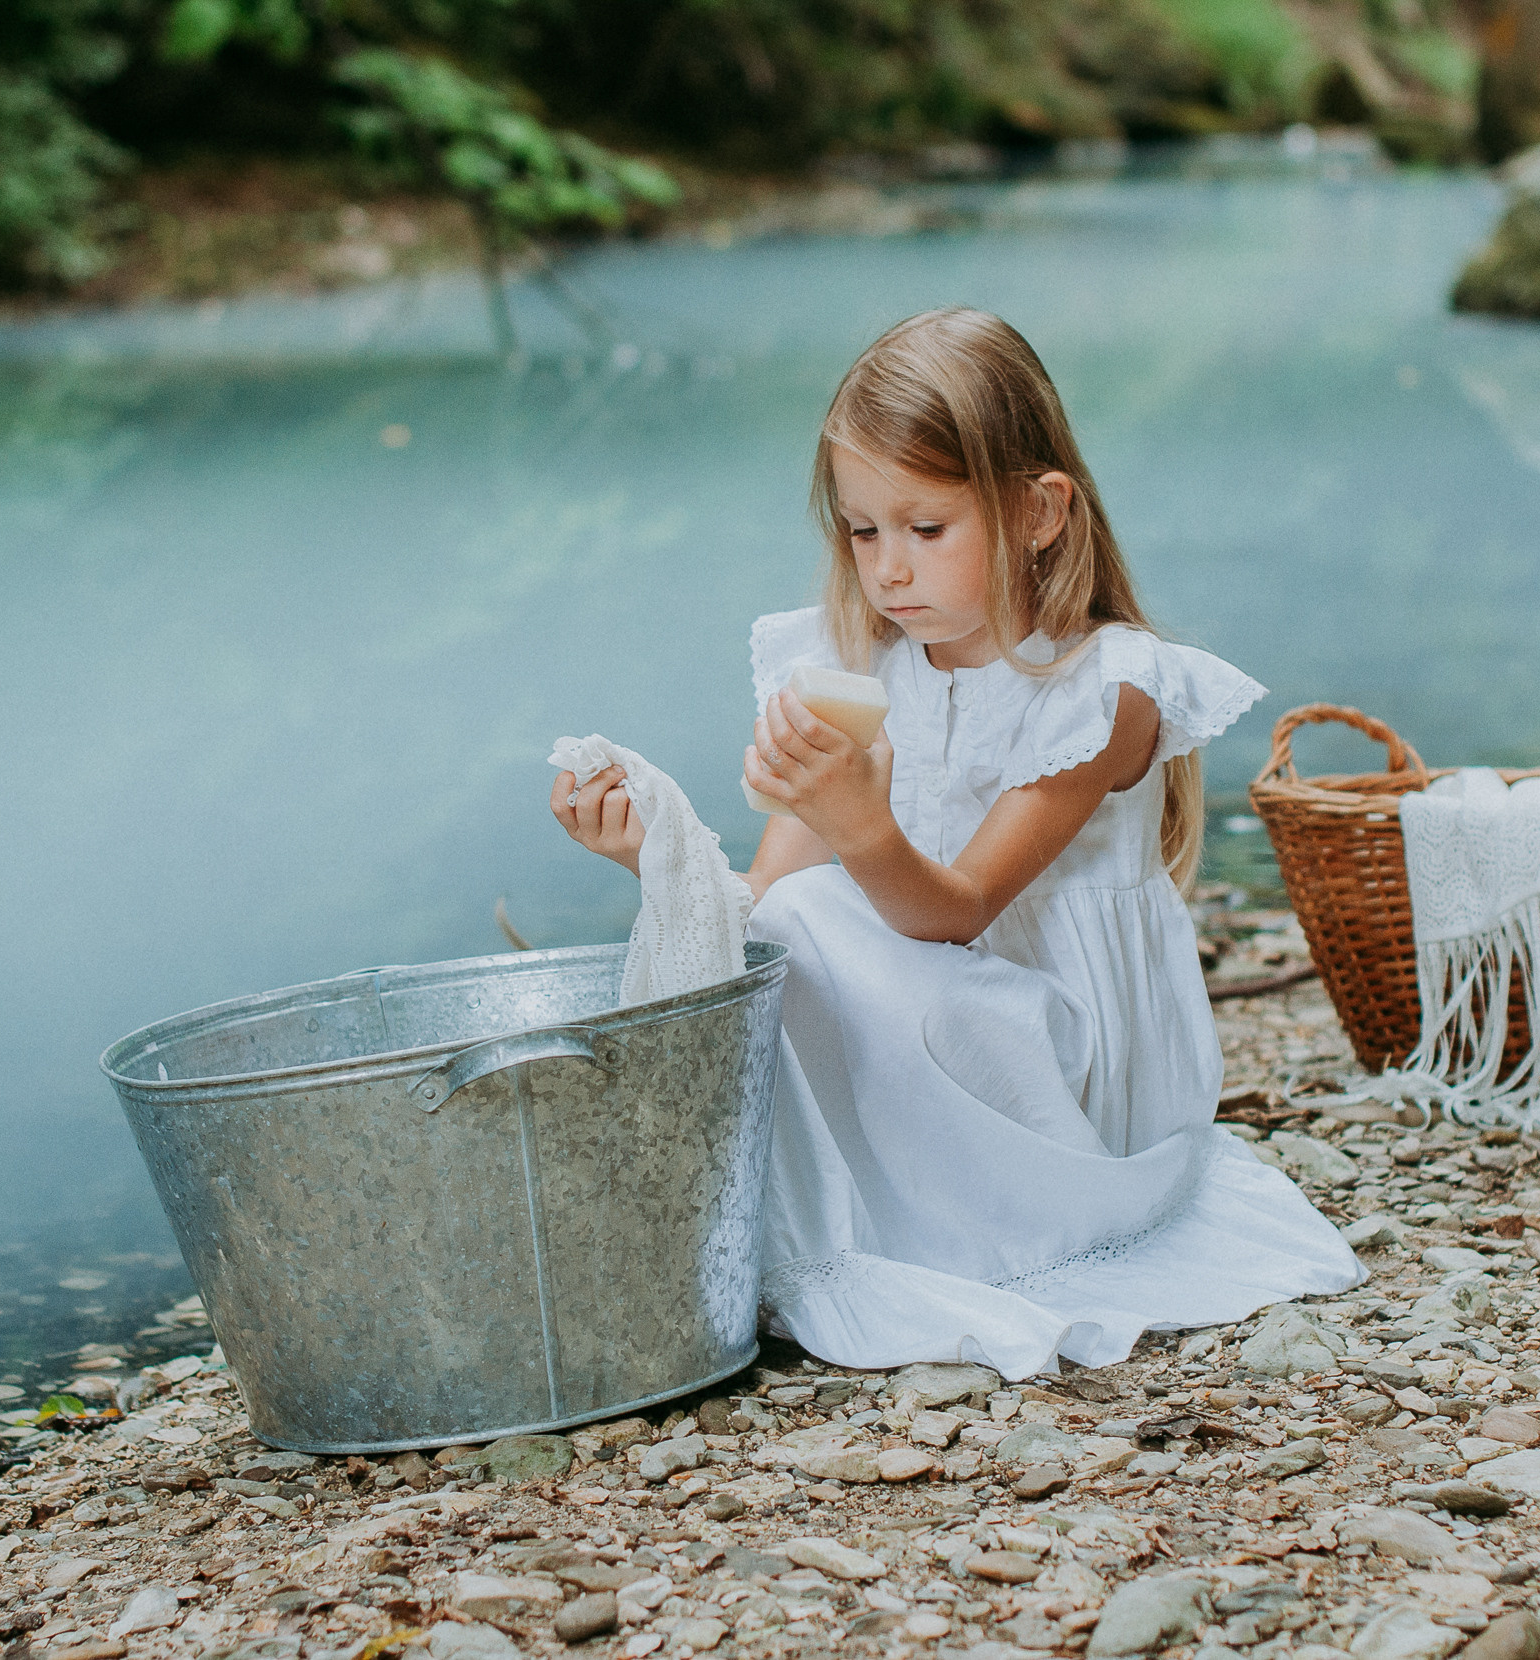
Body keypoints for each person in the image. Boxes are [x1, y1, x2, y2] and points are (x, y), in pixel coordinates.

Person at [553, 307, 1360, 1378]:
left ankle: (959, 1215)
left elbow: (959, 908)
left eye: (925, 528)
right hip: (944, 1029)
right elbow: (762, 901)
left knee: (811, 921)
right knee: (783, 931)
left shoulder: (1101, 689)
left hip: (1071, 1073)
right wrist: (652, 854)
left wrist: (861, 825)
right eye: (862, 530)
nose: (888, 568)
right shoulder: (853, 670)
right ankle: (881, 1203)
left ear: (1037, 511)